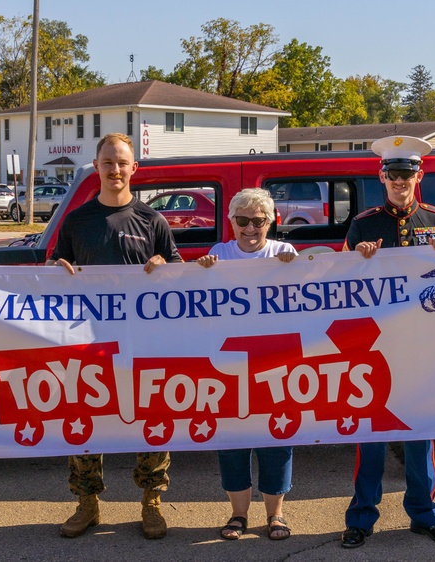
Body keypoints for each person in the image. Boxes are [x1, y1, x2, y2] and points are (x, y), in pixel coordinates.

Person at [48, 132, 182, 540]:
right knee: (84, 418)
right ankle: (87, 503)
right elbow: (54, 270)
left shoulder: (152, 221)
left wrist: (165, 264)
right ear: (97, 167)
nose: (115, 170)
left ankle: (152, 502)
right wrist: (56, 267)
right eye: (108, 163)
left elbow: (180, 273)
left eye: (122, 163)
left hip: (143, 342)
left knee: (152, 417)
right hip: (88, 340)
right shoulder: (77, 220)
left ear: (134, 168)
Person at [339, 135, 435, 549]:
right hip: (376, 345)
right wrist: (359, 256)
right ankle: (360, 518)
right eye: (393, 174)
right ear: (382, 176)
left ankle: (425, 515)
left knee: (419, 435)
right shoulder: (363, 223)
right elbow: (340, 283)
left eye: (407, 174)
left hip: (423, 345)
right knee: (370, 435)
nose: (400, 181)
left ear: (419, 175)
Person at [196, 188, 297, 541]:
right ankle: (238, 515)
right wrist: (205, 271)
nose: (251, 228)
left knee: (277, 438)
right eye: (243, 220)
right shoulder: (218, 253)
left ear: (270, 222)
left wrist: (294, 270)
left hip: (276, 361)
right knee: (233, 440)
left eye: (259, 221)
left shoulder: (284, 252)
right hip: (231, 364)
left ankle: (276, 515)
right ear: (231, 222)